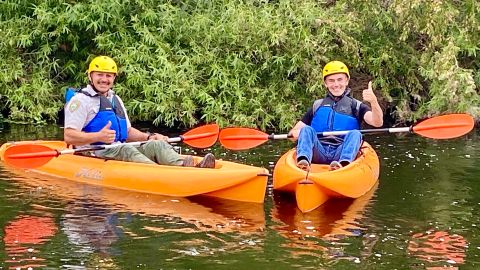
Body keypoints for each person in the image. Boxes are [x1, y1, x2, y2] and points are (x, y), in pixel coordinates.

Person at [64, 55, 215, 168]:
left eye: (108, 75)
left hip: (117, 148)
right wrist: (98, 136)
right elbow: (69, 136)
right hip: (94, 152)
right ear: (90, 76)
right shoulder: (80, 101)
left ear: (114, 78)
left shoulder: (115, 99)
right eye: (100, 75)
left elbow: (127, 132)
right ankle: (164, 175)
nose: (104, 79)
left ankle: (185, 166)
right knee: (127, 149)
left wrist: (150, 137)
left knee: (157, 146)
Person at [289, 60, 383, 171]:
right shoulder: (317, 105)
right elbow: (292, 134)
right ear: (326, 83)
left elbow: (377, 122)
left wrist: (373, 102)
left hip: (342, 151)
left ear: (347, 81)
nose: (336, 84)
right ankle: (303, 162)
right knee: (306, 129)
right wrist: (295, 134)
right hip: (318, 151)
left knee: (355, 133)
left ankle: (343, 165)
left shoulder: (356, 106)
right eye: (331, 81)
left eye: (340, 80)